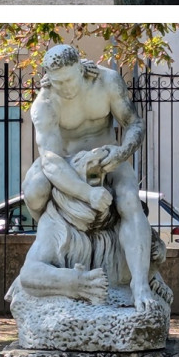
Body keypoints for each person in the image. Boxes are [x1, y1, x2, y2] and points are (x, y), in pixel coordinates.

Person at [22, 43, 159, 311]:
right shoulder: (45, 104)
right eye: (58, 82)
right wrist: (87, 194)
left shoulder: (107, 81)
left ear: (81, 68)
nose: (67, 88)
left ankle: (140, 285)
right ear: (48, 78)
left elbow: (134, 124)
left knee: (129, 199)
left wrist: (122, 153)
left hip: (109, 157)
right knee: (36, 187)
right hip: (67, 163)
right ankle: (51, 236)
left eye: (70, 79)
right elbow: (50, 160)